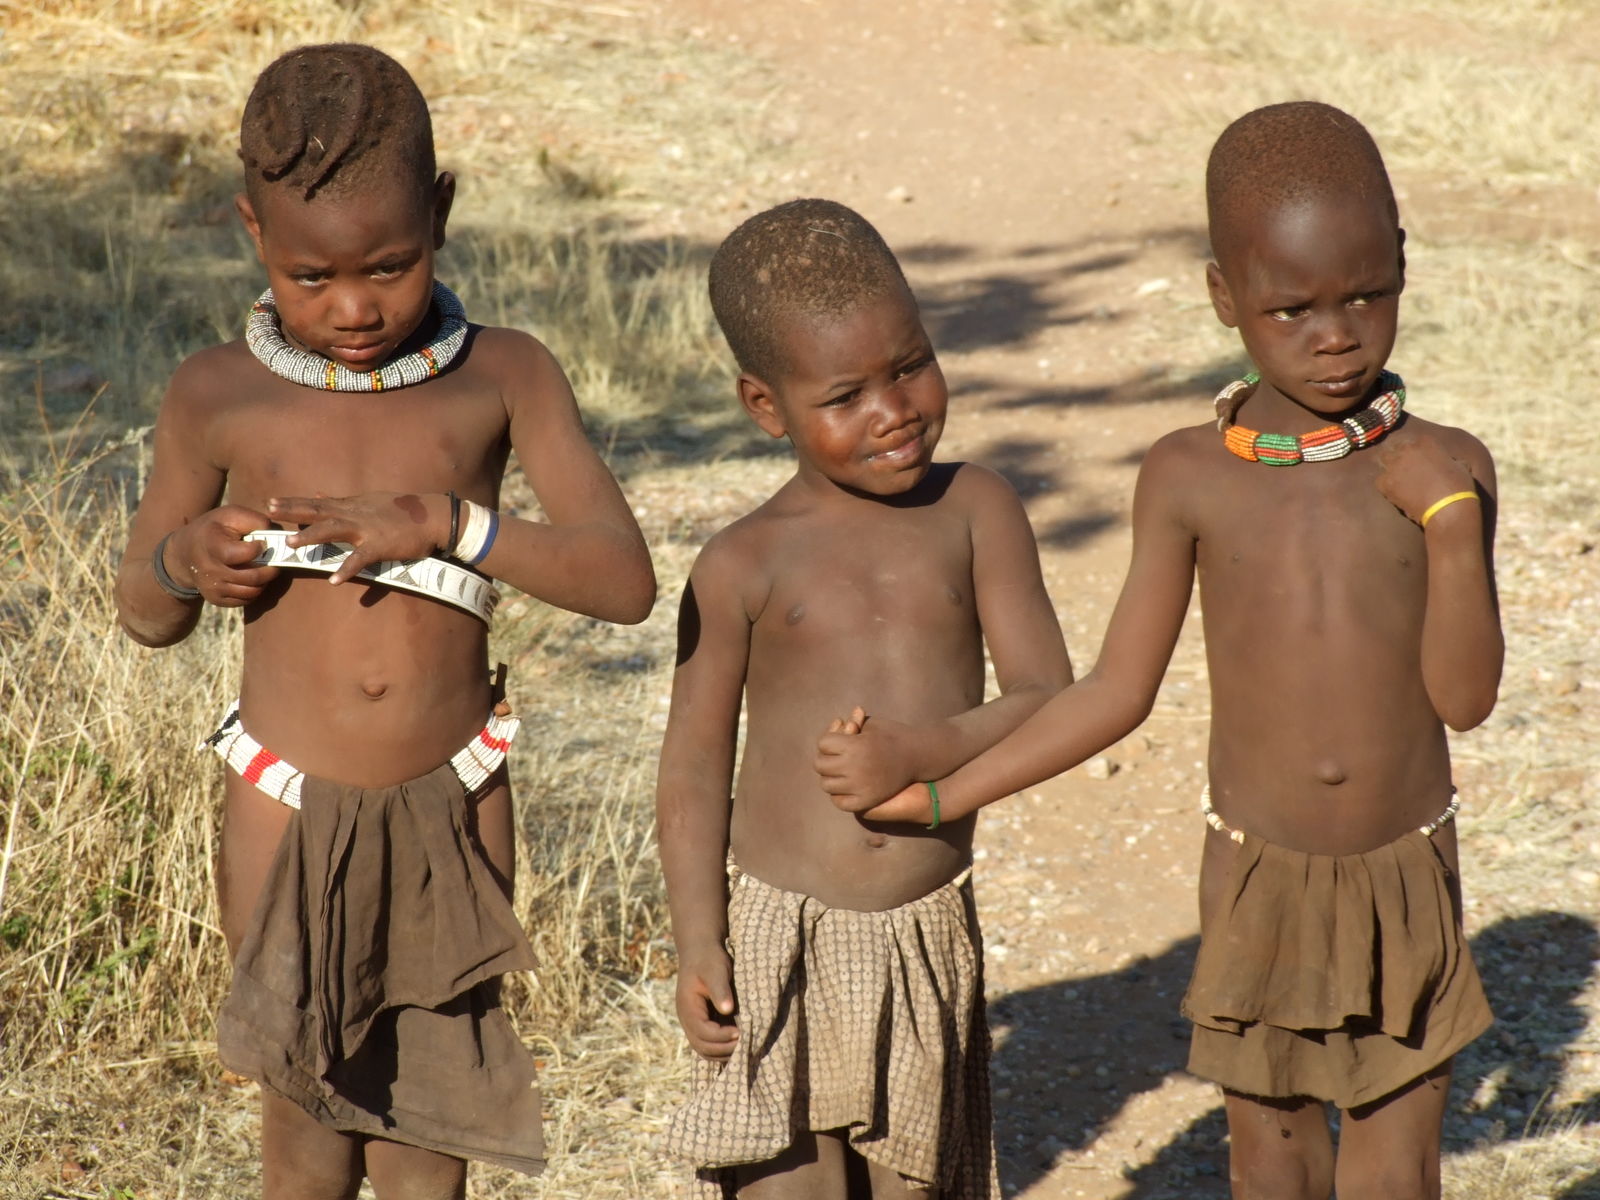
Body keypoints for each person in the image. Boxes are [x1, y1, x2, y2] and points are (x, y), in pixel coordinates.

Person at [823, 102, 1502, 1200]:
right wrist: (948, 792)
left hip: (1404, 871)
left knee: (1395, 1171)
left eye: (1366, 295)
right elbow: (1113, 692)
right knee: (1270, 1160)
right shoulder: (1190, 476)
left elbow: (1463, 700)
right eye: (1290, 308)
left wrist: (1455, 528)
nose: (1336, 335)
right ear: (1224, 299)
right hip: (1257, 872)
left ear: (1402, 265)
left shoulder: (1444, 470)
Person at [113, 43, 655, 1200]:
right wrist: (184, 558)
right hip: (282, 798)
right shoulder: (217, 393)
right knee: (304, 1113)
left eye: (390, 267)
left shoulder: (502, 376)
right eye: (312, 278)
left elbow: (621, 582)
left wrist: (447, 524)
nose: (354, 307)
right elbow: (144, 613)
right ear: (252, 233)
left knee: (430, 1121)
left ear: (443, 214)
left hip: (455, 791)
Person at [656, 198, 1073, 1198]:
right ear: (767, 407)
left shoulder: (976, 512)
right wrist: (699, 942)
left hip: (920, 935)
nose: (893, 410)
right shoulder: (743, 563)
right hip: (779, 941)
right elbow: (693, 765)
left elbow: (1049, 694)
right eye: (845, 395)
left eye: (910, 366)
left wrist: (928, 751)